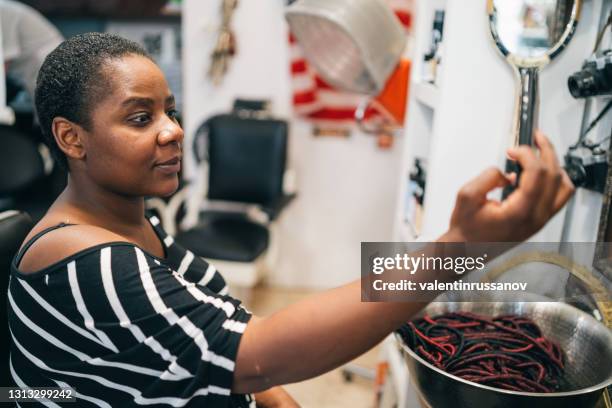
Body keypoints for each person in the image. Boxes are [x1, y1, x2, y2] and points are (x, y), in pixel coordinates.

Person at [8, 32, 574, 407]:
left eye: (171, 111)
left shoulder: (134, 227)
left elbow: (228, 326)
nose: (173, 130)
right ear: (71, 138)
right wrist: (458, 247)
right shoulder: (92, 264)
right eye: (140, 117)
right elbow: (256, 353)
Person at [1, 0, 63, 100]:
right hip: (31, 70)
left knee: (47, 112)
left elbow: (4, 62)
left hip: (47, 64)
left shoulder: (3, 11)